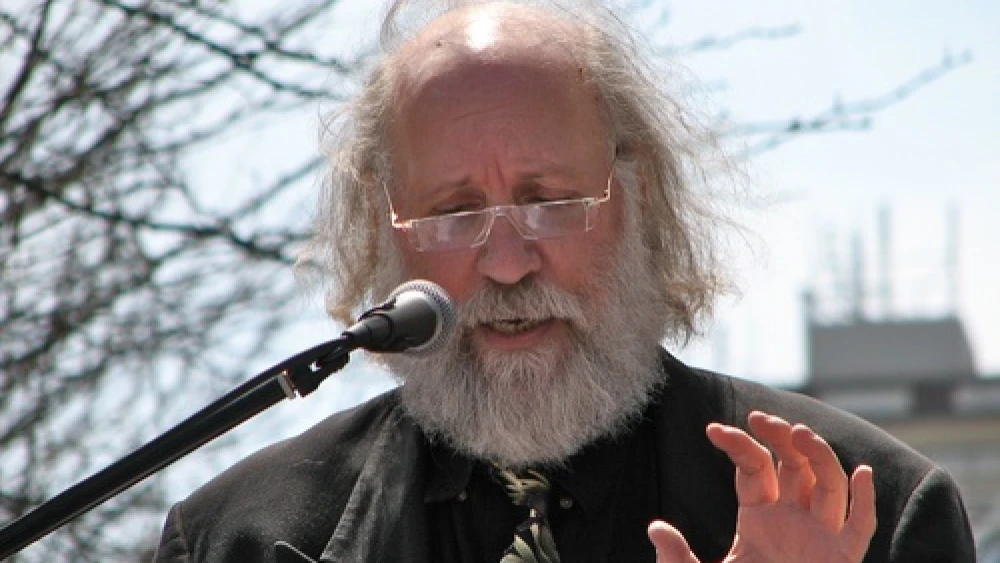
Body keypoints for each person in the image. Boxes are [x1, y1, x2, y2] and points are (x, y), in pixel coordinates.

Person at [153, 1, 976, 561]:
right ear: (384, 229)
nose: (508, 263)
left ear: (639, 202)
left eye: (550, 202)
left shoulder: (874, 515)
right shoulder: (233, 539)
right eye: (454, 212)